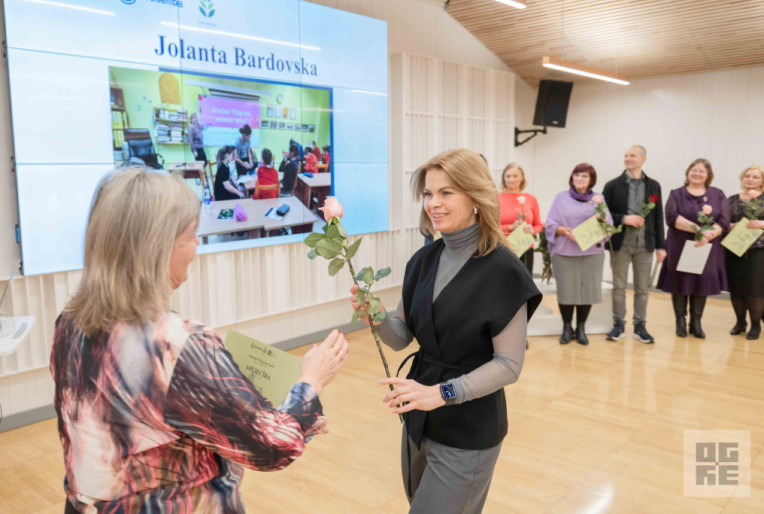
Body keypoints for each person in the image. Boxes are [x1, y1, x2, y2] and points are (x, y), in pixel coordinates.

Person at [52, 168, 348, 513]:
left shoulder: (68, 323)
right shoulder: (179, 345)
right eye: (191, 235)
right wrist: (311, 381)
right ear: (156, 247)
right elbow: (270, 447)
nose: (197, 245)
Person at [350, 148, 541, 513]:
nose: (433, 203)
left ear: (476, 197)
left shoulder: (503, 270)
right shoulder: (423, 260)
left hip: (468, 427)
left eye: (446, 192)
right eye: (428, 194)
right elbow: (401, 335)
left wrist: (442, 393)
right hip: (419, 416)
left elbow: (509, 365)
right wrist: (374, 316)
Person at [656, 158, 730, 338]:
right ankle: (680, 321)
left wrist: (707, 235)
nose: (697, 174)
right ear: (688, 173)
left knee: (701, 281)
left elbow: (724, 220)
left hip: (707, 246)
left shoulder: (718, 194)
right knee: (680, 281)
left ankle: (696, 322)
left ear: (708, 176)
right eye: (694, 170)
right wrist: (698, 230)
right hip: (680, 246)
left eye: (701, 171)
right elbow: (672, 217)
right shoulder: (676, 194)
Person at [602, 145, 666, 344]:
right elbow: (603, 214)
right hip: (620, 243)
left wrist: (661, 246)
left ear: (643, 159)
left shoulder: (654, 185)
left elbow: (658, 216)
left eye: (633, 155)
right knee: (619, 287)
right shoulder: (612, 185)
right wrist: (623, 218)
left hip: (645, 244)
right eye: (626, 155)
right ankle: (618, 324)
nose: (628, 158)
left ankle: (640, 326)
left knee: (642, 288)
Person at [545, 163, 612, 346]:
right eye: (576, 175)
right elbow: (550, 224)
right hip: (564, 252)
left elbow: (609, 227)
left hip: (591, 253)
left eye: (584, 176)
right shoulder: (561, 198)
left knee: (586, 291)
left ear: (591, 180)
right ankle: (567, 327)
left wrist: (603, 220)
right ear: (571, 178)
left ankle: (581, 328)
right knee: (566, 291)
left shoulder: (599, 199)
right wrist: (560, 229)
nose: (579, 179)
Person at [725, 164, 764, 339]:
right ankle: (740, 322)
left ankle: (756, 324)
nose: (750, 179)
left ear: (762, 181)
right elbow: (722, 225)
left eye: (755, 177)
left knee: (755, 289)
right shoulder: (732, 199)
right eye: (747, 176)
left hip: (761, 250)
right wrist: (735, 225)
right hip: (735, 248)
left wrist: (761, 224)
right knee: (736, 289)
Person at [498, 163, 542, 274]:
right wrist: (509, 227)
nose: (511, 179)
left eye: (515, 176)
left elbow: (538, 225)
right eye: (508, 176)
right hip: (504, 247)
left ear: (522, 177)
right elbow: (490, 226)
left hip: (525, 246)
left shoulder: (531, 199)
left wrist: (533, 230)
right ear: (504, 179)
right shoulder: (497, 198)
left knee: (526, 284)